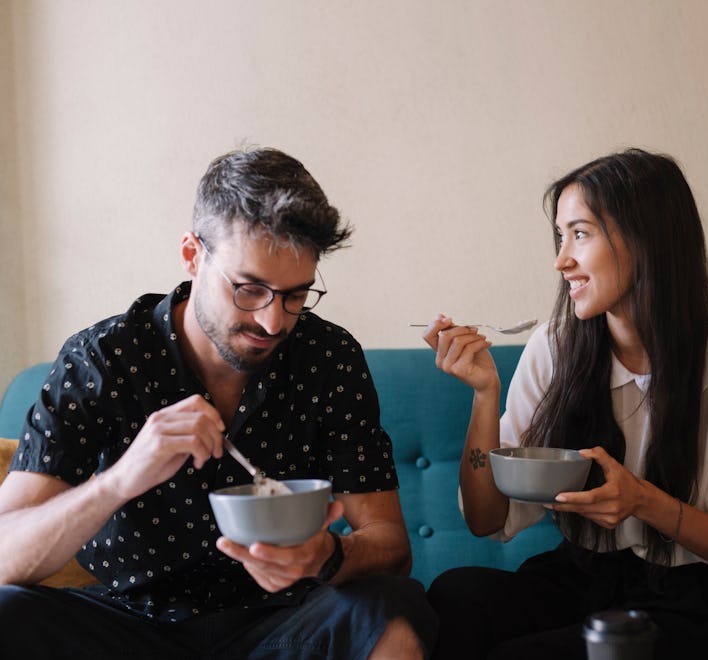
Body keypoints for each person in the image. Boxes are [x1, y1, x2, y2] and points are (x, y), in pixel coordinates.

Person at [0, 147, 437, 659]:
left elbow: (389, 543)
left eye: (295, 296)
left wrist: (327, 554)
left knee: (393, 608)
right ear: (192, 255)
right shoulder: (103, 359)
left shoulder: (328, 358)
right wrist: (121, 478)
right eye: (250, 290)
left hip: (281, 623)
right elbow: (6, 554)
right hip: (127, 622)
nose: (274, 323)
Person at [421, 148, 708, 659]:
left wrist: (644, 501)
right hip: (583, 576)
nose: (561, 261)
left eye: (580, 233)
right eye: (560, 236)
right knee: (456, 598)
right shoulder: (554, 350)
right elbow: (487, 519)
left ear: (646, 241)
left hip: (697, 597)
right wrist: (485, 396)